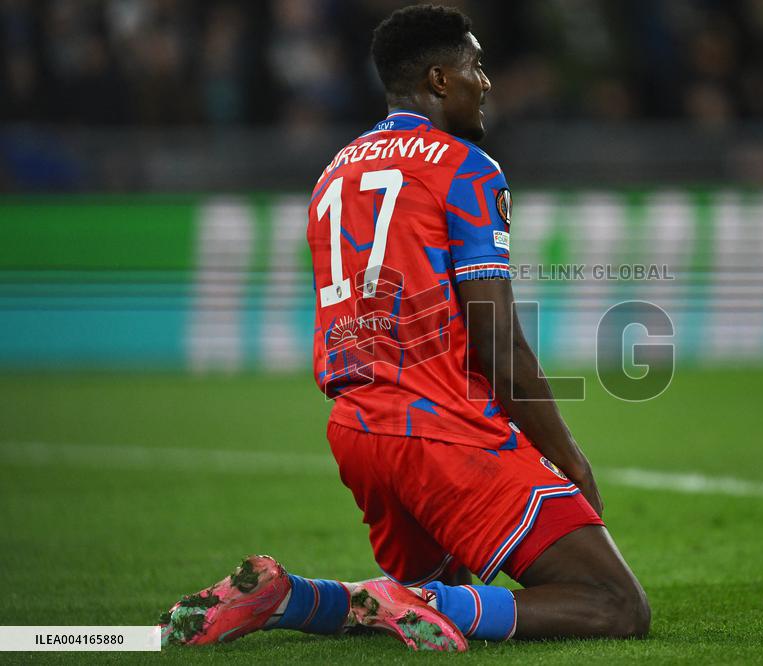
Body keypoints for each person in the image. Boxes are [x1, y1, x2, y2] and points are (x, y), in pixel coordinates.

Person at [158, 4, 649, 652]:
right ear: (440, 80)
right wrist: (569, 458)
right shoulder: (467, 168)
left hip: (359, 431)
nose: (487, 82)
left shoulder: (334, 173)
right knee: (616, 606)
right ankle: (416, 596)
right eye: (476, 66)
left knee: (435, 596)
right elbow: (498, 340)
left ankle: (287, 596)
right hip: (440, 432)